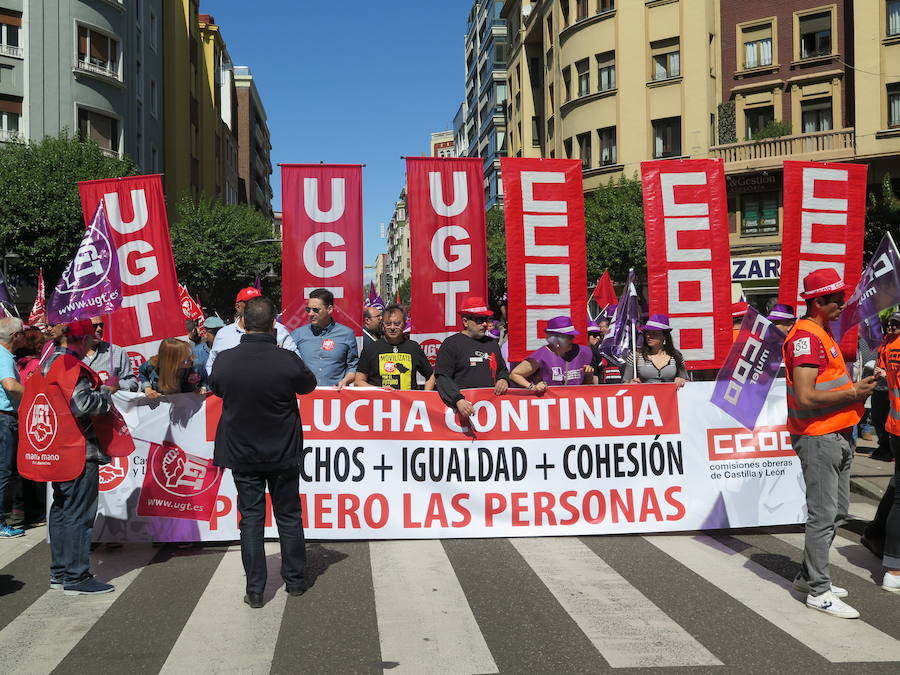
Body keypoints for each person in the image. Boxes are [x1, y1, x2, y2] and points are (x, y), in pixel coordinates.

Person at [209, 296, 317, 608]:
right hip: (282, 451)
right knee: (288, 515)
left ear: (243, 323)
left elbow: (216, 386)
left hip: (242, 452)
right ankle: (295, 582)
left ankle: (256, 589)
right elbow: (307, 386)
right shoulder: (286, 360)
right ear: (273, 325)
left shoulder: (226, 359)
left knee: (251, 519)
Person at [783, 268, 878, 618]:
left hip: (836, 433)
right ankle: (818, 592)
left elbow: (827, 383)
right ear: (818, 302)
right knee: (822, 516)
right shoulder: (806, 337)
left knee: (836, 512)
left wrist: (860, 386)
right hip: (819, 436)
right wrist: (854, 392)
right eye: (836, 299)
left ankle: (809, 577)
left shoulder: (819, 332)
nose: (842, 305)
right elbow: (807, 396)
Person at [44, 319, 119, 594]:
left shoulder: (48, 360)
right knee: (78, 513)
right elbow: (83, 404)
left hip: (57, 448)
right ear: (82, 338)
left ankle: (60, 573)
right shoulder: (70, 365)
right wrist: (107, 393)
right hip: (79, 450)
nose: (92, 343)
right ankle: (76, 577)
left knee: (62, 510)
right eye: (90, 338)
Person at [434, 296, 509, 418]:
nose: (485, 324)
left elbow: (502, 370)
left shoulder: (492, 343)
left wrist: (503, 379)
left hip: (491, 411)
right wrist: (458, 400)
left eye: (486, 319)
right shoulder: (451, 344)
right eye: (479, 320)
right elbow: (443, 378)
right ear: (465, 321)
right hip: (461, 411)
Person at [206, 288, 300, 375]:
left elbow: (297, 364)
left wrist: (279, 354)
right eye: (250, 302)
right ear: (238, 307)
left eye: (259, 301)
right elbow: (211, 365)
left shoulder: (279, 330)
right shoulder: (224, 334)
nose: (256, 305)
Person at [355, 304, 434, 390]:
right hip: (381, 401)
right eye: (388, 324)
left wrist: (425, 397)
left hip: (407, 402)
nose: (392, 327)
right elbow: (359, 381)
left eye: (397, 324)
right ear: (383, 325)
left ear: (404, 324)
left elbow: (430, 375)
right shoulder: (370, 349)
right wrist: (379, 390)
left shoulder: (413, 347)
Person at [290, 288, 358, 388]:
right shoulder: (297, 334)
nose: (310, 314)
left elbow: (353, 366)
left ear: (329, 309)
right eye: (308, 309)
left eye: (316, 310)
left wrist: (345, 381)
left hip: (335, 396)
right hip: (305, 396)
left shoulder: (347, 334)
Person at [510, 316, 594, 391]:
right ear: (555, 339)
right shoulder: (542, 354)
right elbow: (515, 374)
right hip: (550, 403)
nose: (572, 339)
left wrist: (589, 375)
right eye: (567, 336)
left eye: (571, 335)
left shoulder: (583, 352)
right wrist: (533, 387)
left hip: (574, 403)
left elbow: (586, 385)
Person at [0, 317, 24, 538]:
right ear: (15, 336)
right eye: (23, 332)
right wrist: (35, 394)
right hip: (4, 418)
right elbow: (9, 384)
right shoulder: (3, 355)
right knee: (4, 472)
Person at [624, 315, 688, 388]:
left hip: (670, 399)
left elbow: (687, 382)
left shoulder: (676, 356)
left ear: (664, 335)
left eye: (654, 333)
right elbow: (624, 383)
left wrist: (681, 381)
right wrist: (630, 383)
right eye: (647, 332)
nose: (649, 336)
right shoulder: (635, 355)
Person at [81, 317, 139, 392]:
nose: (99, 329)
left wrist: (118, 385)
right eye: (94, 326)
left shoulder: (117, 352)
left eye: (101, 325)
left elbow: (132, 383)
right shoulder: (70, 356)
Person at [588, 320, 623, 385]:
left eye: (599, 335)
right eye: (595, 335)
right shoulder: (581, 352)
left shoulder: (602, 351)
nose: (598, 337)